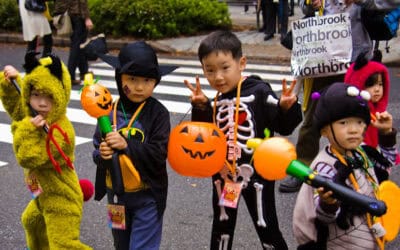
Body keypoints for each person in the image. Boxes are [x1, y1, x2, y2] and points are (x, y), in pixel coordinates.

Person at [184, 30, 302, 250]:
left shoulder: (259, 92)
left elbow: (284, 127)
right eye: (210, 70)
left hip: (257, 176)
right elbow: (204, 136)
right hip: (225, 176)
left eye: (225, 68)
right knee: (222, 226)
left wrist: (287, 107)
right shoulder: (216, 100)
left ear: (242, 63)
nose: (218, 77)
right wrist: (201, 106)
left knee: (266, 224)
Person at [278, 0, 399, 193]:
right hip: (321, 59)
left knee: (361, 116)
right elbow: (303, 4)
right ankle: (302, 168)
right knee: (312, 117)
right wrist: (310, 4)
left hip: (356, 59)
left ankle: (362, 167)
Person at [0, 53, 91, 249]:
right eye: (36, 95)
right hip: (43, 195)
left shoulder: (62, 132)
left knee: (64, 244)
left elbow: (28, 157)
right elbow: (19, 110)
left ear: (61, 96)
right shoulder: (38, 115)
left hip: (62, 198)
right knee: (31, 222)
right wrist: (13, 82)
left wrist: (28, 129)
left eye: (49, 97)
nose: (42, 103)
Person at [92, 41, 177, 250]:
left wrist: (126, 145)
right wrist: (101, 153)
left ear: (156, 81)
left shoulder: (158, 114)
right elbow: (96, 149)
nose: (139, 87)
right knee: (121, 245)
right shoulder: (108, 112)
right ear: (119, 78)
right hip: (116, 195)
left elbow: (159, 153)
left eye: (147, 80)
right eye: (132, 79)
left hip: (147, 194)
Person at [292, 82, 397, 249]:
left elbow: (384, 170)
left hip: (368, 237)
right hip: (341, 243)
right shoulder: (324, 166)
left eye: (359, 122)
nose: (354, 130)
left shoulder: (361, 153)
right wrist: (329, 203)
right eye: (344, 123)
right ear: (325, 130)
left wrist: (386, 135)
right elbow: (325, 217)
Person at [54, 0, 93, 85]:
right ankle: (70, 75)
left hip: (68, 13)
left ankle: (84, 72)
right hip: (77, 14)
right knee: (77, 46)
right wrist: (87, 17)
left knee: (79, 45)